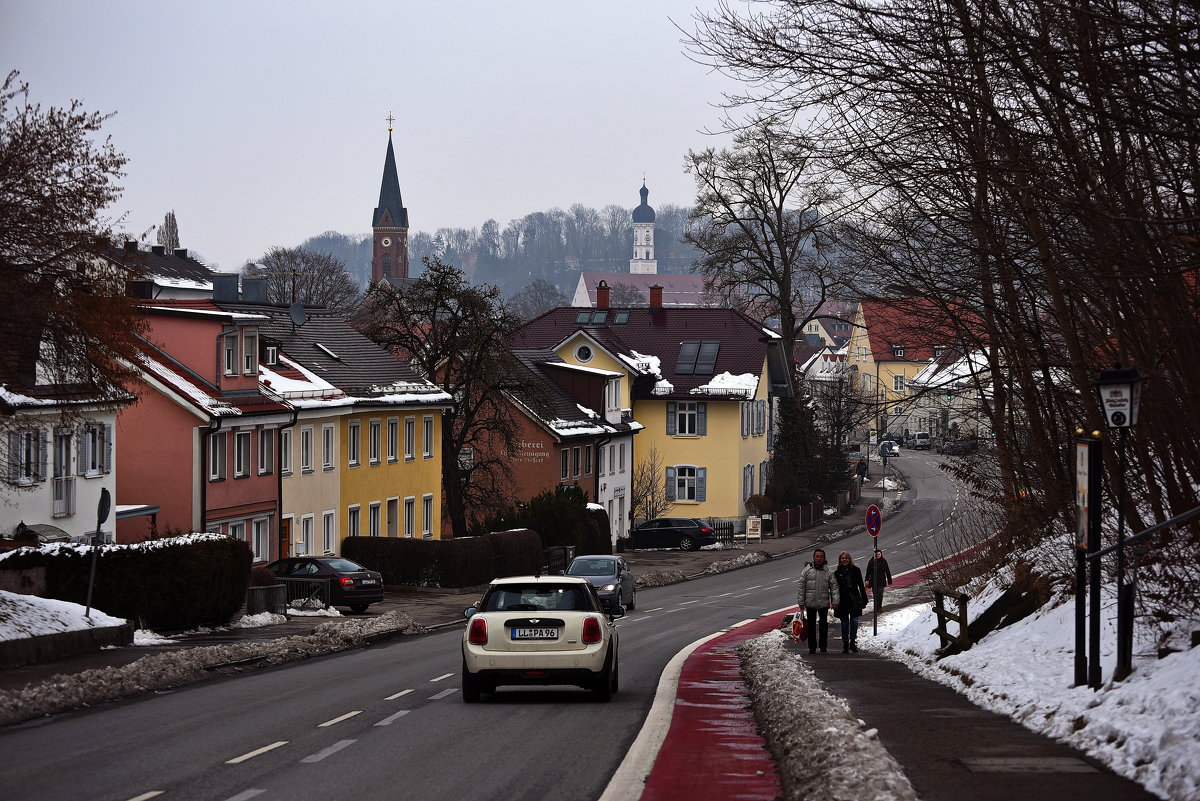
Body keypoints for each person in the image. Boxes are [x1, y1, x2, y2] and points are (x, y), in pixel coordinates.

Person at [796, 548, 839, 654]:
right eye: (817, 556)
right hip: (810, 602)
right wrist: (801, 602)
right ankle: (812, 647)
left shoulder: (828, 572)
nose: (819, 558)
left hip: (823, 603)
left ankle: (823, 647)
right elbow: (801, 587)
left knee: (823, 626)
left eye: (821, 556)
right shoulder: (806, 571)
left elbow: (834, 587)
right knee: (811, 626)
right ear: (813, 558)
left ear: (824, 558)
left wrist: (835, 601)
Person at [833, 552, 868, 652]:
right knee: (844, 623)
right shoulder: (837, 573)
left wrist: (864, 599)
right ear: (840, 560)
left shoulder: (856, 570)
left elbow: (861, 585)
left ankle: (852, 642)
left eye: (846, 558)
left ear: (850, 559)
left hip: (854, 599)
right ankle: (845, 644)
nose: (844, 560)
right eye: (842, 558)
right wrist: (834, 601)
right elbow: (834, 589)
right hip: (842, 601)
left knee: (854, 621)